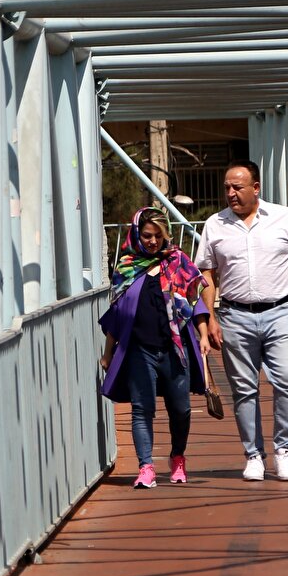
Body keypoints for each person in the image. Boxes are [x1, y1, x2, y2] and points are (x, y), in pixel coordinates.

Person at [194, 160, 288, 482]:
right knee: (244, 389)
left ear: (256, 188)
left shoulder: (284, 217)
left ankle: (284, 451)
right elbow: (207, 274)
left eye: (237, 187)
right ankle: (253, 455)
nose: (230, 193)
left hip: (280, 312)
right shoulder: (215, 224)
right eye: (227, 187)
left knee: (287, 378)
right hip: (234, 315)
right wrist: (209, 318)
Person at [99, 207, 211, 489]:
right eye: (147, 235)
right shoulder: (127, 266)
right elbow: (118, 314)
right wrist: (108, 352)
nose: (152, 241)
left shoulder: (178, 261)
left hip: (175, 348)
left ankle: (178, 458)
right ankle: (146, 467)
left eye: (157, 236)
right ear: (137, 234)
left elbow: (194, 299)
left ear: (165, 235)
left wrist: (204, 334)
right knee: (142, 408)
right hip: (139, 349)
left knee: (181, 409)